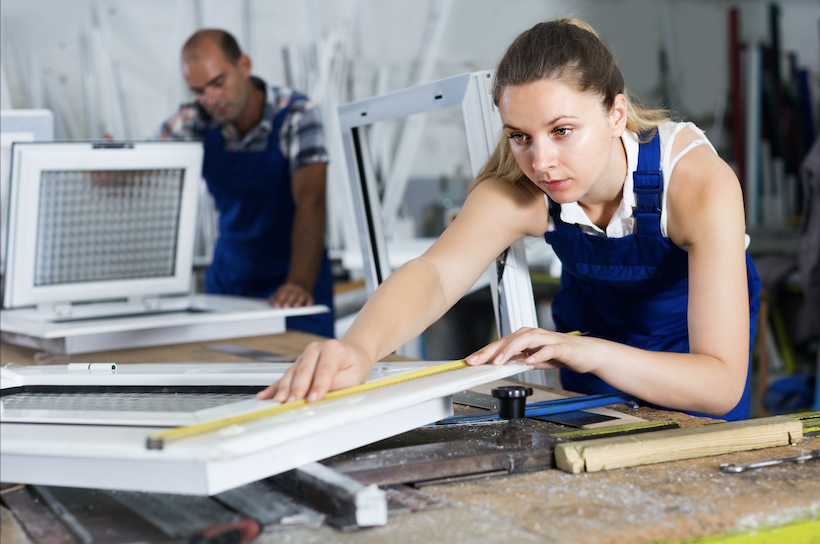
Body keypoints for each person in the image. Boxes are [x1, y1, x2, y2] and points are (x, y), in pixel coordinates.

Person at [258, 18, 760, 421]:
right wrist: (357, 350)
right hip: (588, 366)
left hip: (689, 369)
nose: (540, 162)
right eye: (520, 135)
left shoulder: (697, 183)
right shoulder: (521, 190)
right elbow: (433, 276)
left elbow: (718, 383)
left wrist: (589, 352)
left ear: (615, 113)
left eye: (562, 130)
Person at [158, 29, 334, 337]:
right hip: (229, 281)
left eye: (217, 82)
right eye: (198, 91)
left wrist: (298, 283)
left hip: (294, 275)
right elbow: (146, 164)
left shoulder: (296, 114)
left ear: (244, 65)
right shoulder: (193, 119)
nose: (210, 99)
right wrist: (109, 166)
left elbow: (312, 201)